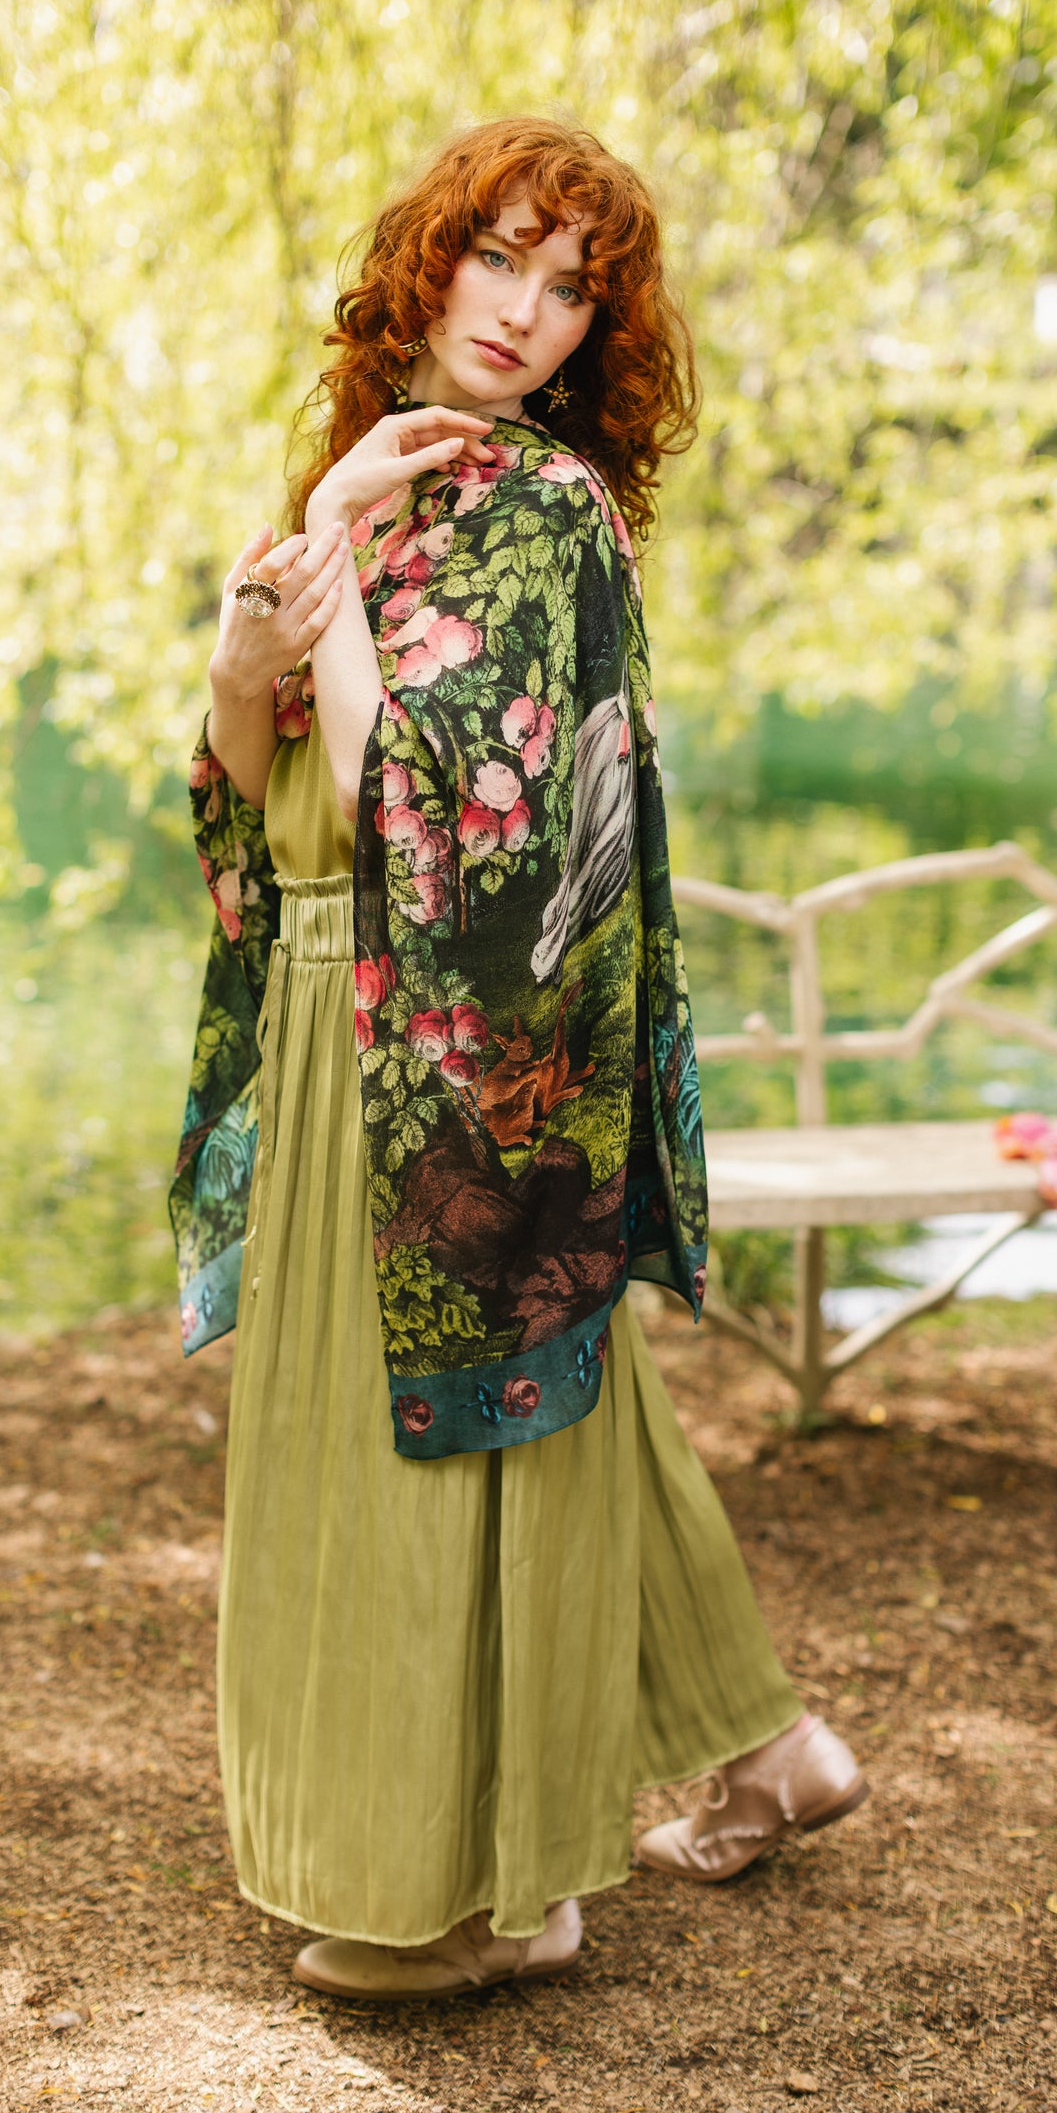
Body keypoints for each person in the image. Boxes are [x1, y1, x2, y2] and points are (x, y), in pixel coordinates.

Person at [169, 117, 866, 2002]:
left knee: (450, 1456)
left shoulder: (544, 510)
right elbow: (254, 799)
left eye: (574, 291)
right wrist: (267, 621)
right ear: (428, 257)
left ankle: (498, 1879)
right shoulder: (373, 472)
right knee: (530, 1422)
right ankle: (755, 1746)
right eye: (503, 257)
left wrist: (323, 566)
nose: (528, 312)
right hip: (333, 1016)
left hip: (458, 1041)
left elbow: (453, 821)